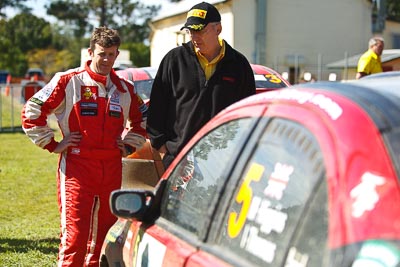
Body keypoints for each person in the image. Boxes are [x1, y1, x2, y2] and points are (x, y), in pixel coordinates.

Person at [21, 26, 147, 266]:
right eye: (102, 53)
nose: (107, 59)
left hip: (111, 167)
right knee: (76, 237)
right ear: (90, 52)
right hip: (77, 168)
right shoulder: (69, 80)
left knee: (105, 237)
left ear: (117, 54)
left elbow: (142, 121)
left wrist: (129, 145)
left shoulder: (124, 89)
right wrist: (53, 144)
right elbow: (32, 111)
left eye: (111, 54)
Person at [146, 1, 256, 169]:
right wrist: (164, 150)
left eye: (200, 31)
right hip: (178, 160)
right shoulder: (174, 60)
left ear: (218, 29)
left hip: (222, 161)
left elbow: (248, 115)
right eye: (191, 32)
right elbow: (156, 109)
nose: (195, 37)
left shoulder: (238, 65)